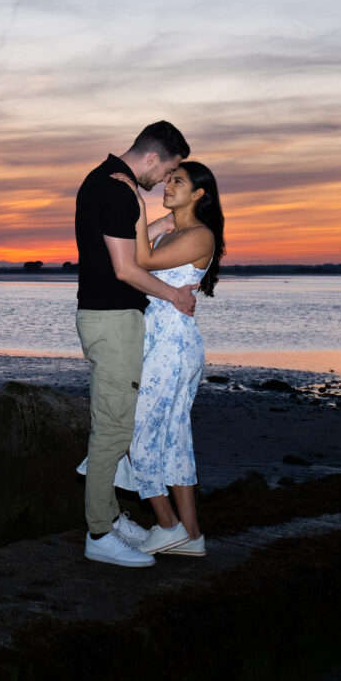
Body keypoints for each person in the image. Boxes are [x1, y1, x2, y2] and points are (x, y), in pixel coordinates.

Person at [75, 121, 197, 568]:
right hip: (113, 321)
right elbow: (127, 270)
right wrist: (175, 296)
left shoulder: (107, 183)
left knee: (112, 420)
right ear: (151, 159)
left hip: (108, 318)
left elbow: (135, 245)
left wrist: (157, 215)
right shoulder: (115, 190)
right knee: (112, 430)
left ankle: (110, 516)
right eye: (168, 170)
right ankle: (99, 534)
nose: (166, 179)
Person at [110, 160, 226, 557]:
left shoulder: (199, 234)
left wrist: (139, 211)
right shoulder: (180, 230)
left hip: (171, 344)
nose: (168, 184)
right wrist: (155, 223)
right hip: (165, 339)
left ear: (198, 195)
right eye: (169, 178)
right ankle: (191, 537)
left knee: (136, 432)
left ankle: (166, 524)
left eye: (179, 181)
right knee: (173, 438)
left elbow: (140, 261)